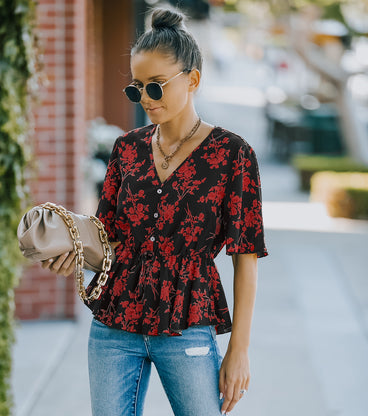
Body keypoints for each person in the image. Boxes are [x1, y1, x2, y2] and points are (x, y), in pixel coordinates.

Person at [42, 6, 268, 416]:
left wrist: (239, 349)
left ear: (193, 79)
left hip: (188, 324)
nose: (145, 98)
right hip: (113, 324)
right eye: (137, 88)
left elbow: (246, 258)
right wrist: (73, 254)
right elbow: (106, 234)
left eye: (156, 87)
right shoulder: (125, 148)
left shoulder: (233, 155)